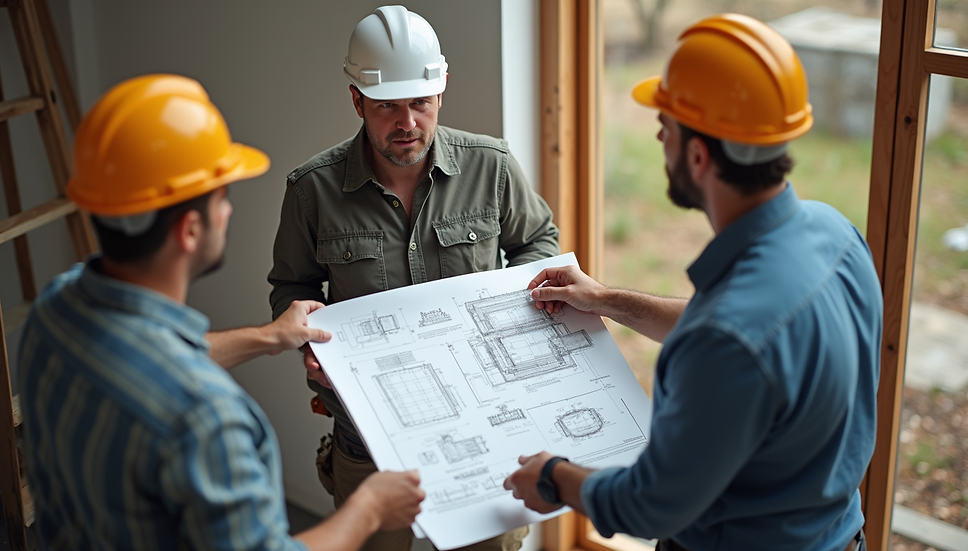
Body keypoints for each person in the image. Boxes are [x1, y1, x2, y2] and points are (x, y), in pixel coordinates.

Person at [504, 14, 882, 551]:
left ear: (699, 155)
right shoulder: (837, 234)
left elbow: (652, 503)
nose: (659, 136)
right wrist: (606, 300)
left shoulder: (728, 338)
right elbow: (752, 338)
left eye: (667, 125)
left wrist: (554, 477)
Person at [18, 74, 425, 551]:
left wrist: (269, 336)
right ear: (190, 230)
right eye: (221, 197)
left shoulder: (55, 308)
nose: (228, 211)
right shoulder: (207, 419)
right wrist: (369, 508)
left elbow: (152, 359)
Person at [267, 5, 559, 551]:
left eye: (420, 103)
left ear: (441, 91)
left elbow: (538, 243)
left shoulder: (491, 166)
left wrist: (517, 310)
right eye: (387, 106)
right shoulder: (311, 191)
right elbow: (292, 286)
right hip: (366, 436)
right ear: (357, 100)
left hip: (483, 424)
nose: (407, 123)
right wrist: (309, 341)